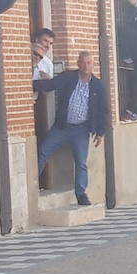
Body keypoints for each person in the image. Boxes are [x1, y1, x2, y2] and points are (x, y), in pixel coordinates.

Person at [33, 52, 109, 206]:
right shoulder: (68, 77)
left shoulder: (98, 85)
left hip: (81, 129)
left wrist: (100, 132)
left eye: (89, 63)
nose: (86, 66)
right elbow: (52, 84)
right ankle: (32, 184)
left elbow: (104, 110)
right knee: (43, 152)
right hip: (62, 126)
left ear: (93, 65)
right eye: (83, 62)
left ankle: (81, 194)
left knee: (81, 162)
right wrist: (30, 84)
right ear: (78, 63)